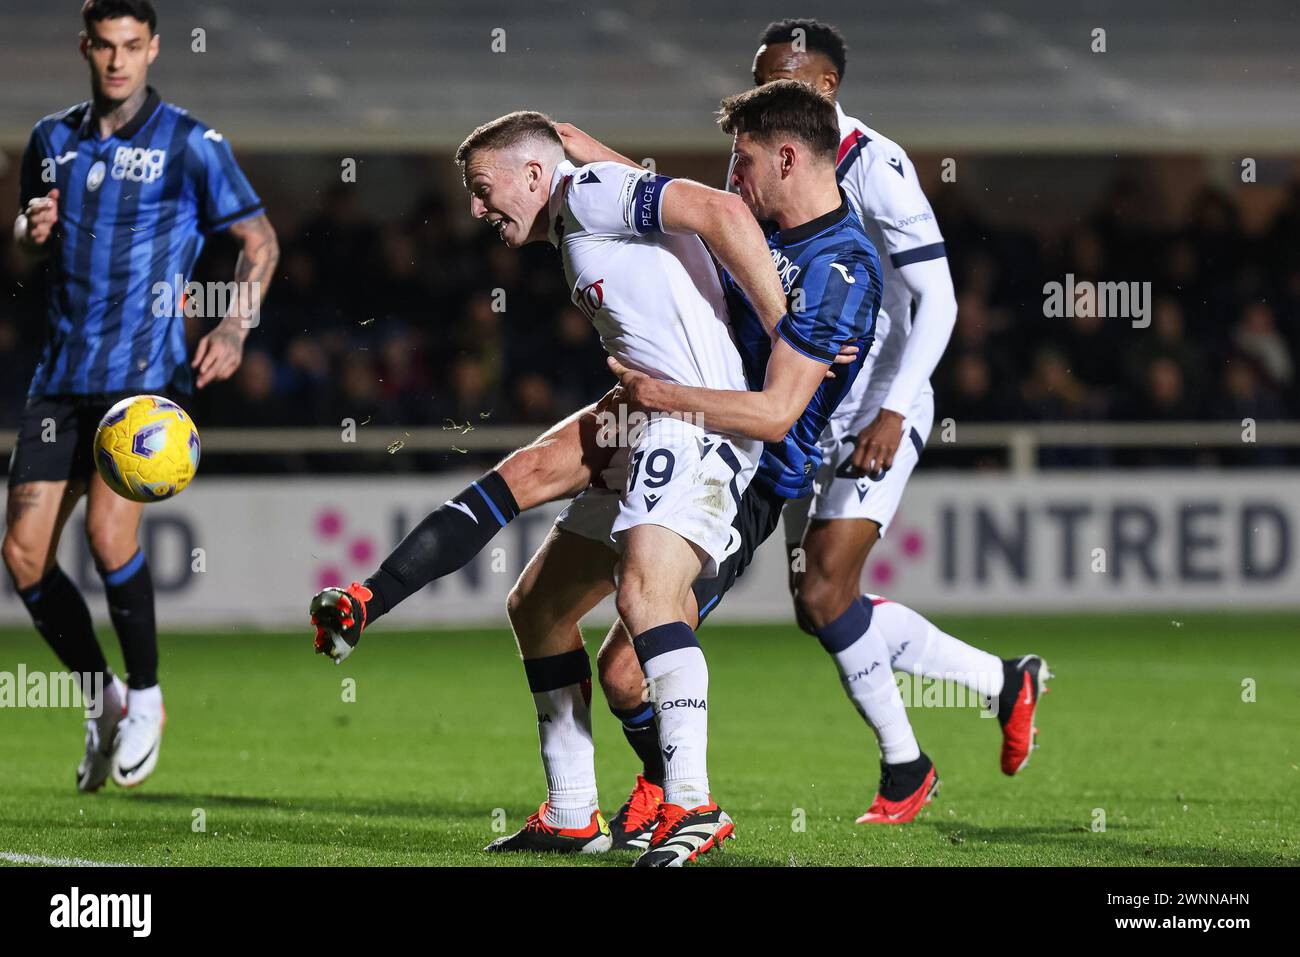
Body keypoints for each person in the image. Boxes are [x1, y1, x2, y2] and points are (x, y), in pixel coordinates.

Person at [5, 0, 278, 791]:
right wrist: (31, 231)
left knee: (106, 533)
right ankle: (105, 699)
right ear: (85, 49)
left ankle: (150, 697)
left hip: (145, 382)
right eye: (105, 46)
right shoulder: (49, 141)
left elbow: (258, 239)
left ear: (153, 48)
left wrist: (231, 328)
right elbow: (28, 245)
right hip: (60, 376)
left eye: (132, 46)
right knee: (22, 558)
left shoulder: (192, 143)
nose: (118, 61)